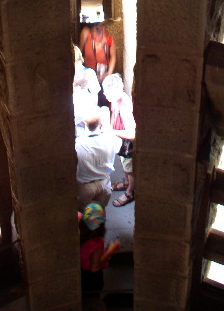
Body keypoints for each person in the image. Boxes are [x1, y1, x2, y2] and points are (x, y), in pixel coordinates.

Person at [75, 109, 122, 211]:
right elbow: (118, 146)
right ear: (100, 124)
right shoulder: (111, 139)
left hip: (85, 186)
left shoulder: (78, 144)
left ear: (84, 123)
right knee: (100, 211)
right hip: (104, 184)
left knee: (86, 214)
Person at [102, 73, 136, 207]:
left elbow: (132, 133)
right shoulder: (116, 100)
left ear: (116, 91)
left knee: (130, 169)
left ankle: (130, 191)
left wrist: (111, 131)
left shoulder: (124, 106)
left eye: (107, 93)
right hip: (120, 142)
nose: (105, 95)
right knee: (124, 165)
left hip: (128, 145)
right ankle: (126, 183)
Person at [79, 203, 120, 296]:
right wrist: (111, 250)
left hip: (81, 268)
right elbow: (94, 268)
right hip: (91, 277)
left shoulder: (81, 231)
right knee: (93, 294)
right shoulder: (97, 242)